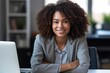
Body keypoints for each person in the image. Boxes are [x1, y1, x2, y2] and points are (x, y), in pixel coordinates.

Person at [30, 0, 90, 73]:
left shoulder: (80, 39)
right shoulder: (40, 39)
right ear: (50, 23)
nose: (60, 26)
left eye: (65, 21)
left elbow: (83, 68)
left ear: (72, 23)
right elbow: (35, 68)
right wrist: (69, 66)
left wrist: (49, 68)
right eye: (56, 22)